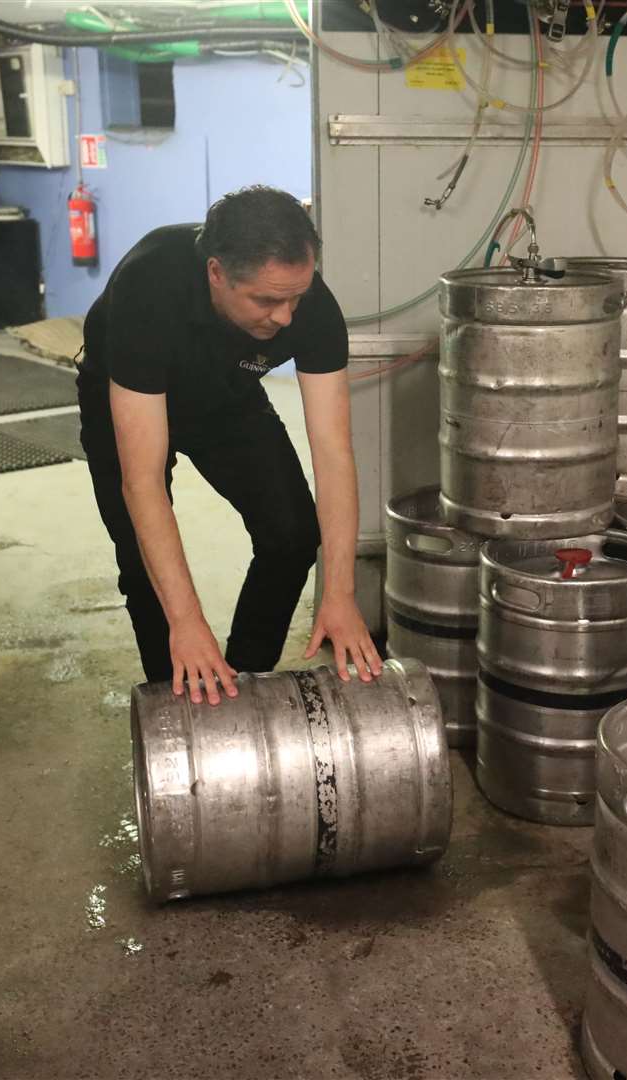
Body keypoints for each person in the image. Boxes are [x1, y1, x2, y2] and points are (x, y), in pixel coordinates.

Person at [75, 186, 381, 704]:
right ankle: (181, 704)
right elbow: (142, 481)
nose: (286, 317)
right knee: (144, 567)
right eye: (266, 301)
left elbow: (333, 452)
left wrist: (341, 593)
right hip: (128, 400)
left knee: (292, 533)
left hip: (225, 397)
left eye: (296, 297)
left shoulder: (311, 307)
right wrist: (188, 620)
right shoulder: (149, 291)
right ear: (217, 273)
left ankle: (242, 681)